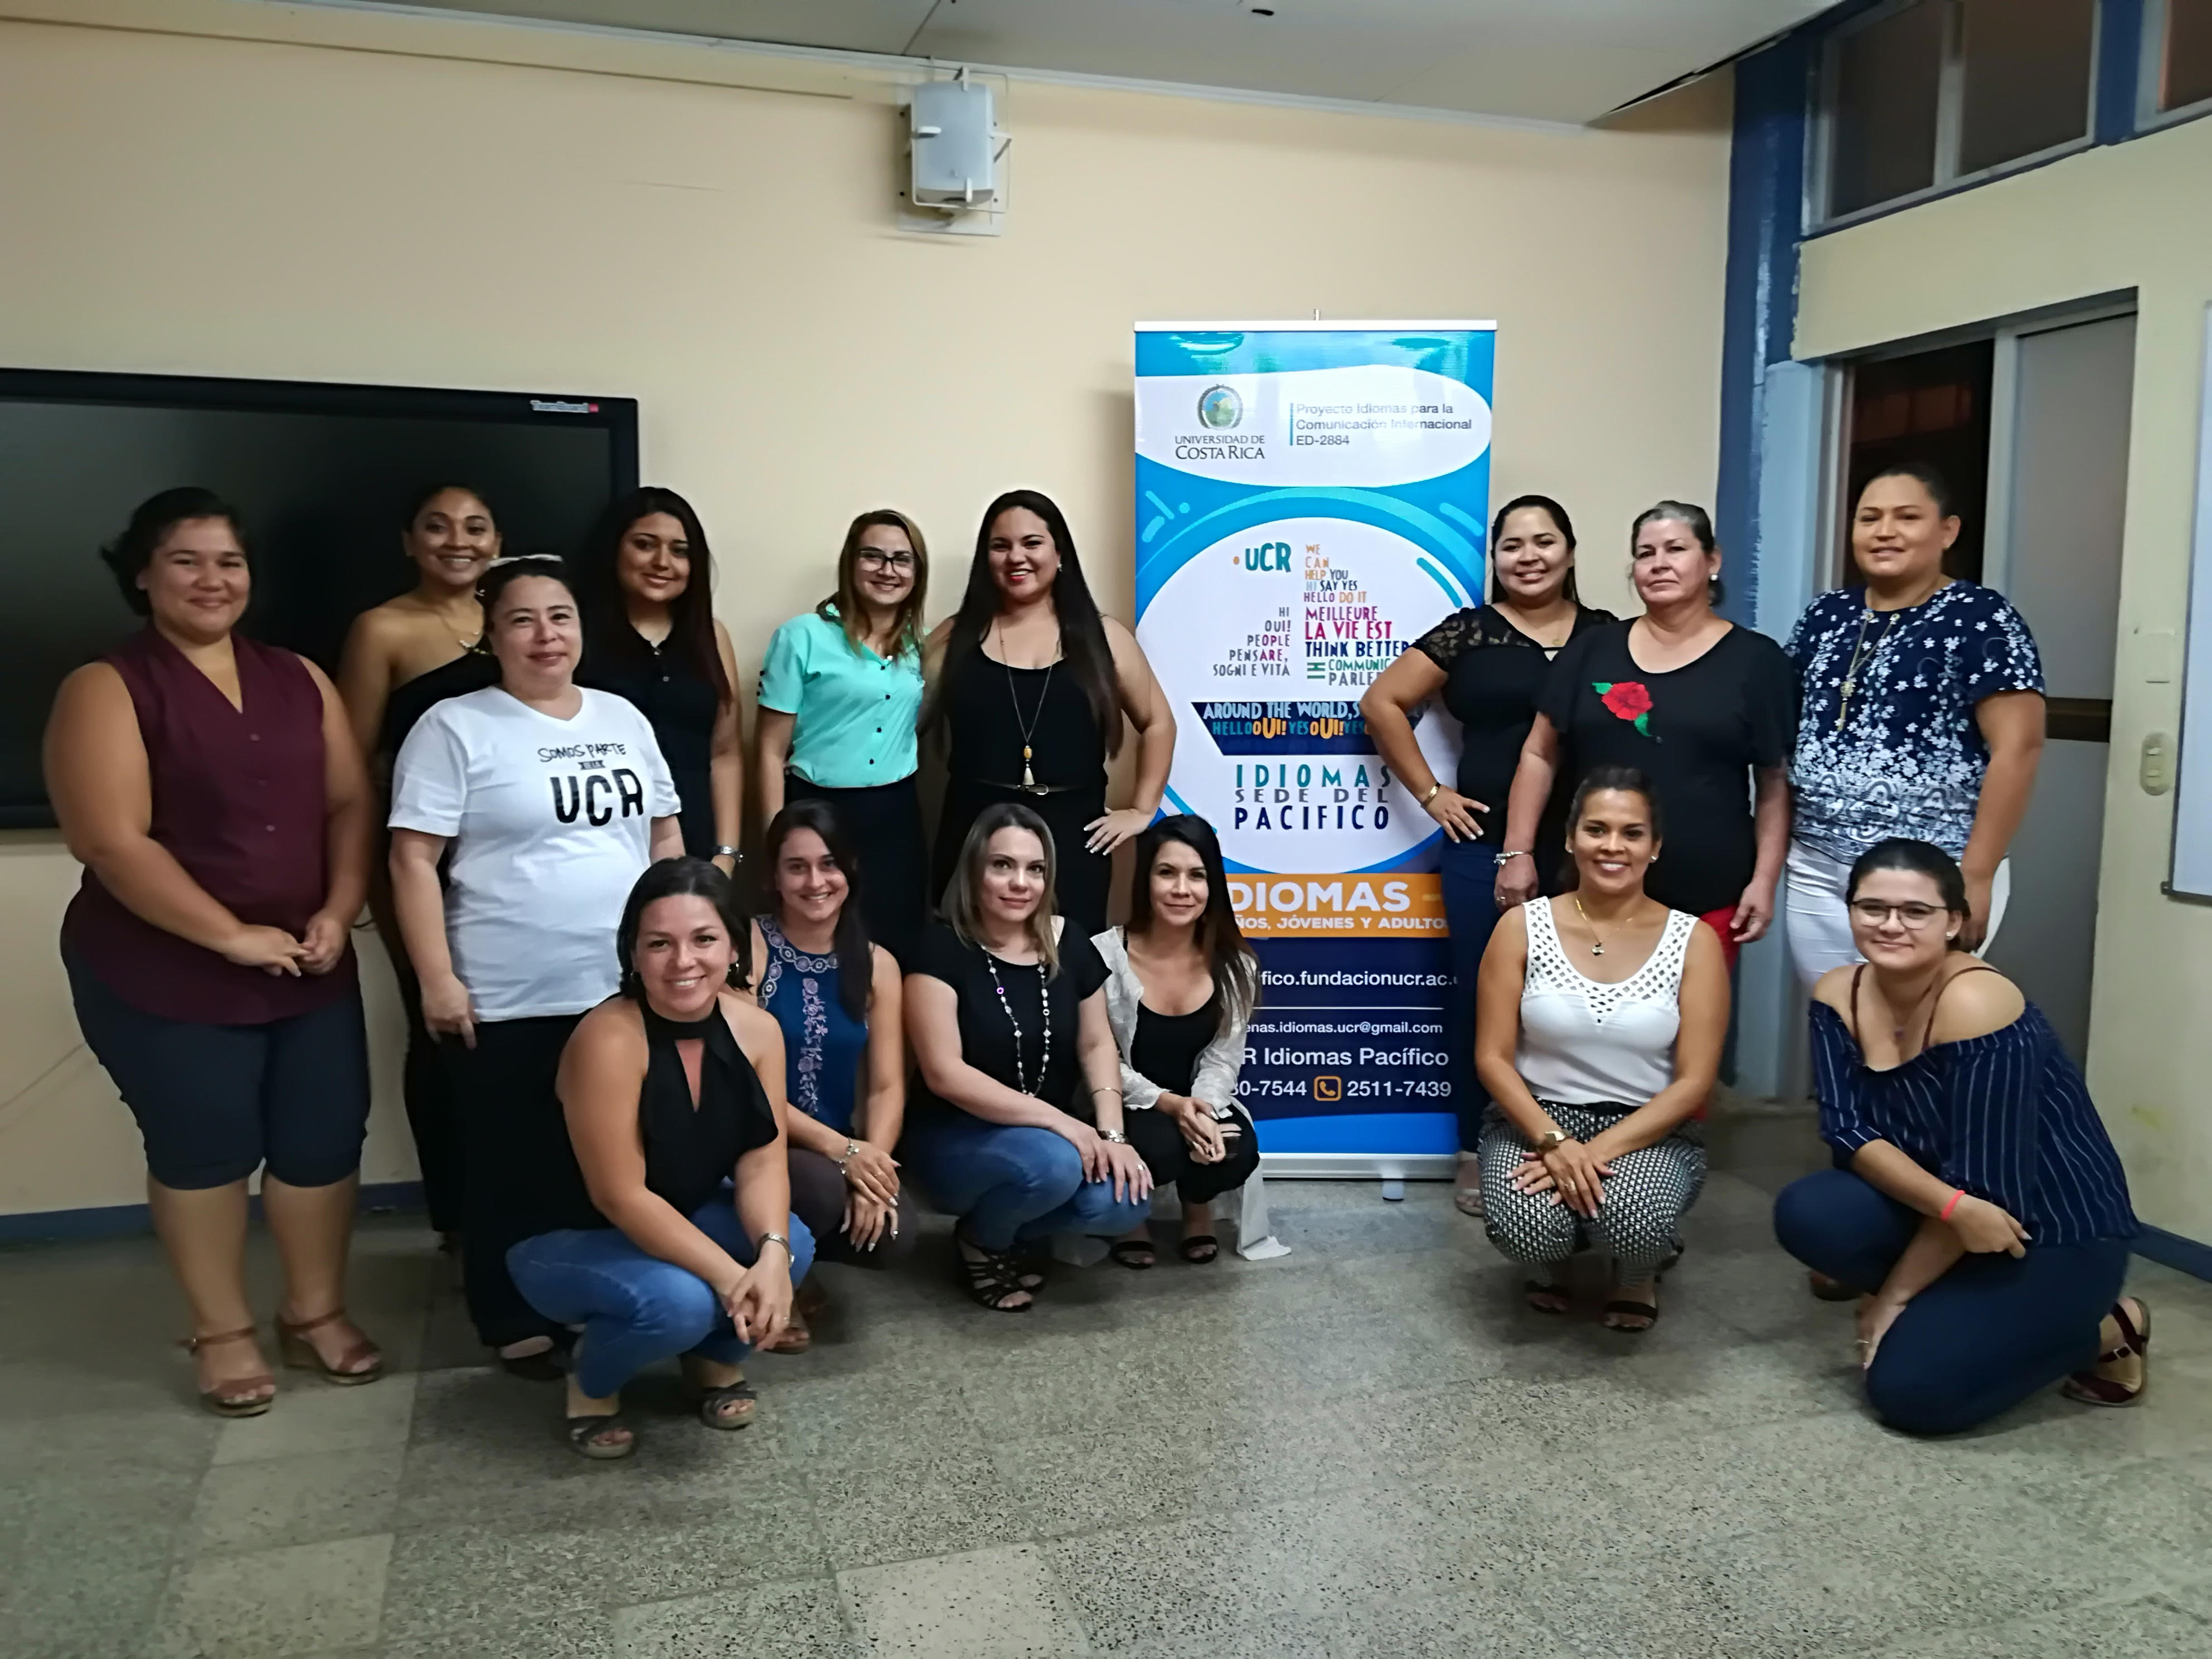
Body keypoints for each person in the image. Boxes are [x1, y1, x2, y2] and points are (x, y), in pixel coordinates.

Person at [47, 488, 381, 1415]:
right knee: (206, 1148)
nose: (212, 579)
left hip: (307, 960)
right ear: (143, 573)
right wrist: (230, 935)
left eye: (228, 561)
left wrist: (339, 907)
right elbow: (111, 841)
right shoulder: (108, 686)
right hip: (166, 967)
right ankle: (223, 1330)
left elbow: (351, 804)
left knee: (321, 1139)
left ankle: (314, 1313)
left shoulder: (299, 677)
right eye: (187, 560)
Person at [389, 554, 683, 1375]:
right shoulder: (455, 727)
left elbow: (664, 836)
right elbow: (413, 861)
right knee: (509, 1163)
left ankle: (603, 1297)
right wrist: (437, 979)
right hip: (509, 991)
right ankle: (510, 1313)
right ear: (492, 634)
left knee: (612, 1156)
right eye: (522, 619)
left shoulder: (623, 717)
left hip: (623, 991)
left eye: (560, 616)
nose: (545, 635)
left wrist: (684, 950)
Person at [1773, 839, 2144, 1433]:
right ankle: (1959, 1310)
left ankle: (2102, 1325)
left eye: (1914, 912)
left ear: (1953, 922)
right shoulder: (1836, 993)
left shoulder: (1976, 1000)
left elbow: (1987, 1190)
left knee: (1911, 1395)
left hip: (2048, 1228)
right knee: (1809, 1210)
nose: (1890, 925)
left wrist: (1891, 1300)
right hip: (1954, 1213)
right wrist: (1948, 1206)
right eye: (1871, 908)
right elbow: (1845, 1130)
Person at [508, 858, 815, 1458]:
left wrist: (772, 1258)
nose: (682, 962)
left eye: (703, 939)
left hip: (678, 1216)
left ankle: (710, 1361)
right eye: (659, 944)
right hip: (567, 1237)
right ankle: (591, 1384)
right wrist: (733, 1280)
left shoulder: (757, 1030)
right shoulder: (609, 1038)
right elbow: (619, 1196)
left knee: (791, 1243)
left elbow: (762, 1161)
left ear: (732, 946)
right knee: (682, 1302)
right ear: (632, 953)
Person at [1362, 494, 1616, 1216]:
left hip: (1592, 853)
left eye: (1544, 541)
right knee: (1483, 1001)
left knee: (1587, 1004)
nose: (1528, 557)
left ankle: (1584, 1145)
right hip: (1484, 848)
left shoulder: (1610, 637)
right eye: (1512, 545)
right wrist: (1432, 792)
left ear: (1570, 550)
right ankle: (1479, 1148)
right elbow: (1383, 702)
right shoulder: (1469, 633)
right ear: (1495, 558)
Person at [1474, 766, 1727, 1331]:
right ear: (1569, 838)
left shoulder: (1693, 940)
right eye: (1596, 829)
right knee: (1525, 1225)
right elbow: (1491, 1057)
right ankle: (1551, 1261)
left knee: (1633, 1218)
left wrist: (1592, 1152)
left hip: (1648, 1127)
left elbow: (1693, 1081)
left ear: (1654, 847)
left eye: (1631, 833)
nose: (1612, 846)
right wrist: (1553, 1140)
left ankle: (1639, 1270)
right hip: (1534, 1120)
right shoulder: (1521, 927)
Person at [1498, 501, 1796, 970]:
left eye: (1675, 549)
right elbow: (1539, 753)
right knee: (1577, 1030)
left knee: (1693, 1036)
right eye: (1645, 553)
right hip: (1588, 890)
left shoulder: (1758, 663)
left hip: (1706, 894)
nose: (1659, 564)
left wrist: (1764, 881)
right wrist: (1517, 853)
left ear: (1712, 561)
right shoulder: (1592, 649)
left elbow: (1775, 783)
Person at [1782, 463, 2045, 987]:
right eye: (1869, 518)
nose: (1884, 531)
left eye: (1907, 517)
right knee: (1837, 1018)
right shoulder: (1826, 615)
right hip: (1817, 866)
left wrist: (1976, 873)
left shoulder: (1980, 616)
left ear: (1946, 531)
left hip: (1930, 872)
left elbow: (2019, 747)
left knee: (1917, 1033)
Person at [904, 803, 1154, 1309]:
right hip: (953, 1137)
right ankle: (984, 1243)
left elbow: (1096, 1043)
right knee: (1055, 1164)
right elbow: (945, 1074)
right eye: (1003, 865)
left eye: (1035, 869)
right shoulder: (939, 947)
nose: (1021, 882)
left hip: (1049, 1138)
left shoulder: (1069, 942)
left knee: (1126, 1198)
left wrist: (1111, 1134)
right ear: (974, 869)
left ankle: (1002, 1229)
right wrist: (1067, 1126)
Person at [336, 483, 501, 1242]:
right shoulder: (382, 629)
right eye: (437, 527)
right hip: (421, 863)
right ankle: (460, 1220)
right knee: (442, 1032)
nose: (458, 541)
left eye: (475, 526)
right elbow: (354, 766)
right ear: (410, 541)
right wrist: (365, 875)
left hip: (510, 863)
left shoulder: (516, 619)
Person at [924, 490, 1174, 938]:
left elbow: (1158, 723)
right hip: (972, 835)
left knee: (1067, 979)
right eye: (1001, 546)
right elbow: (894, 716)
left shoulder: (1104, 638)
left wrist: (1141, 810)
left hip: (1072, 840)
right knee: (968, 974)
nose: (1016, 556)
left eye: (1031, 543)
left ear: (1059, 552)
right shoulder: (954, 636)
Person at [745, 801, 918, 1352]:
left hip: (837, 1146)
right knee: (821, 1192)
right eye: (796, 867)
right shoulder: (747, 945)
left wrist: (874, 1166)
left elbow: (887, 1085)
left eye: (828, 865)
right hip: (757, 1141)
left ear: (850, 870)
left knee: (897, 1233)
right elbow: (749, 1085)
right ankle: (778, 1281)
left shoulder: (877, 965)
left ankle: (801, 1260)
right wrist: (842, 1154)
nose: (815, 881)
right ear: (773, 877)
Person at [756, 510, 930, 963]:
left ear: (917, 571)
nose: (887, 570)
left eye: (901, 560)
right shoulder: (801, 637)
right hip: (818, 811)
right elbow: (770, 749)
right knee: (818, 942)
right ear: (851, 564)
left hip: (896, 815)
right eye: (872, 556)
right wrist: (776, 841)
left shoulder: (923, 644)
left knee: (894, 945)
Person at [1092, 815, 1262, 1268]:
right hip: (1124, 1103)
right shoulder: (1103, 955)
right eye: (1167, 873)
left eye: (1197, 875)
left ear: (1213, 885)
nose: (1181, 889)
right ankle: (1131, 1219)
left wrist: (1200, 1110)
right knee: (1162, 1146)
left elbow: (1223, 1061)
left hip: (1194, 1101)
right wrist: (1171, 1105)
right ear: (1146, 879)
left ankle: (1198, 1208)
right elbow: (1098, 1057)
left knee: (1234, 1148)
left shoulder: (1235, 964)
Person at [574, 487, 743, 870]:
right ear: (615, 549)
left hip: (695, 840)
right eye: (645, 545)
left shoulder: (712, 637)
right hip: (600, 838)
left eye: (680, 551)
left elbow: (726, 754)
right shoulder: (575, 635)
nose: (663, 562)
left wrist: (727, 855)